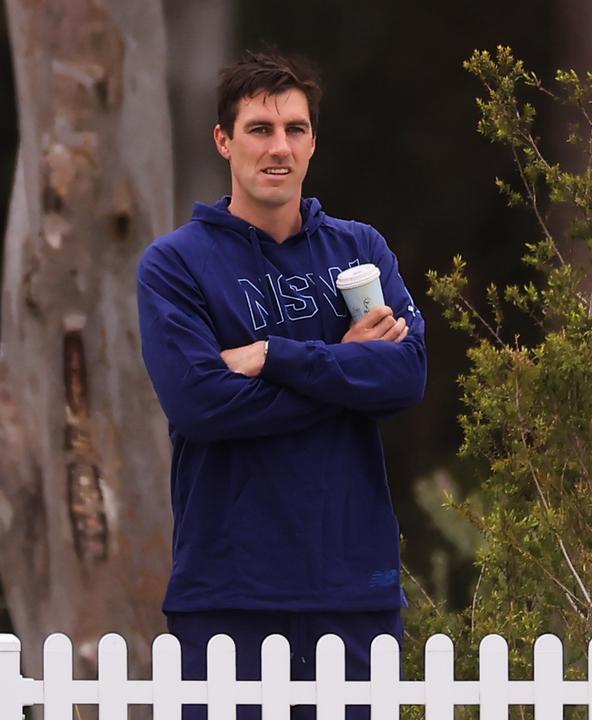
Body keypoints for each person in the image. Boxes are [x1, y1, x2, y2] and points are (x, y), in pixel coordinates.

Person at [135, 50, 427, 720]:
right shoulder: (175, 265)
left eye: (295, 129)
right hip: (228, 593)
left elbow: (406, 377)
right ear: (223, 140)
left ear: (313, 142)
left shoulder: (361, 252)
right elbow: (201, 403)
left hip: (355, 590)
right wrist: (345, 369)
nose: (279, 147)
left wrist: (273, 355)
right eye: (260, 129)